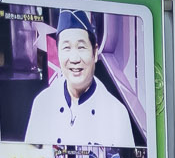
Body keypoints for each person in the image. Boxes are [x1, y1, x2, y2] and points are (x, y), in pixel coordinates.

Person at [23, 11, 138, 145]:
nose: (74, 59)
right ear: (58, 53)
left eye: (81, 47)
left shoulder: (117, 113)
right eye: (66, 47)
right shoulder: (42, 103)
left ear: (95, 53)